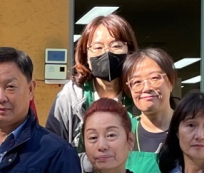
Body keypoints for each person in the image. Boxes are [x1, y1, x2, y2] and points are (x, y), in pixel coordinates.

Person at [45, 12, 138, 157]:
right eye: (98, 47)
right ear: (86, 55)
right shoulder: (70, 97)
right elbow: (52, 150)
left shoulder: (140, 93)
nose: (107, 53)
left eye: (116, 46)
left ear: (129, 51)